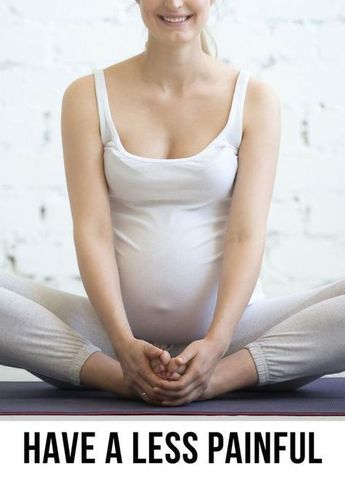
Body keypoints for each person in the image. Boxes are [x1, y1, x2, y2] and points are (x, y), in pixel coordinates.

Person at [1, 0, 344, 406]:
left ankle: (217, 379)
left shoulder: (255, 98)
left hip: (237, 338)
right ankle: (117, 377)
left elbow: (246, 234)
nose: (174, 3)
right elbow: (92, 230)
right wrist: (123, 342)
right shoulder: (85, 96)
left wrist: (216, 342)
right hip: (108, 339)